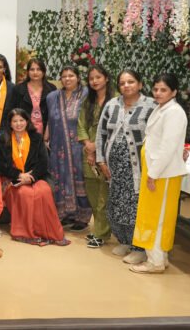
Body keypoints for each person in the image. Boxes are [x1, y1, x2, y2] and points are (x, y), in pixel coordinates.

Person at [96, 69, 155, 264]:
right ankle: (124, 241)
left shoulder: (151, 106)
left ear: (140, 84)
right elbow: (101, 134)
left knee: (134, 207)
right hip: (114, 167)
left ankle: (140, 248)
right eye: (122, 83)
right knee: (116, 204)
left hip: (137, 168)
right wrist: (101, 160)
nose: (126, 86)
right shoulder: (112, 105)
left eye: (131, 82)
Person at [131, 73, 188, 274]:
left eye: (163, 89)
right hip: (156, 169)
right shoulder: (162, 108)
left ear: (174, 92)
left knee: (156, 216)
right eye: (155, 89)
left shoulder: (174, 112)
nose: (158, 93)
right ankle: (159, 257)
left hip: (161, 172)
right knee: (156, 214)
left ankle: (154, 262)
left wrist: (153, 174)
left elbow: (167, 147)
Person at [0, 108, 69, 246]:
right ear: (10, 123)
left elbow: (43, 162)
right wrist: (18, 175)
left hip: (36, 176)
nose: (18, 124)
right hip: (12, 178)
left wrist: (31, 177)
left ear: (27, 121)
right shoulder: (2, 140)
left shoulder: (37, 138)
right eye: (15, 121)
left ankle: (50, 233)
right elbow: (0, 164)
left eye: (21, 120)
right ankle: (25, 233)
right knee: (24, 193)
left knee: (44, 191)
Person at [46, 65, 90, 231]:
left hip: (78, 146)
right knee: (60, 178)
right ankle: (65, 214)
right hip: (58, 146)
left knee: (80, 179)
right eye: (64, 76)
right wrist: (46, 137)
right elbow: (50, 119)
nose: (67, 79)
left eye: (71, 76)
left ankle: (82, 216)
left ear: (78, 77)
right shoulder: (52, 97)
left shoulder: (86, 95)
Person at [77, 64, 116, 248]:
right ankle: (99, 228)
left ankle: (101, 233)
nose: (94, 81)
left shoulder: (116, 100)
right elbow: (81, 124)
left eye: (98, 77)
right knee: (92, 192)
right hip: (88, 153)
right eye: (91, 78)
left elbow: (116, 129)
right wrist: (88, 145)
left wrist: (96, 147)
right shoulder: (88, 101)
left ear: (106, 78)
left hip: (107, 153)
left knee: (104, 196)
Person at [9, 58, 57, 135]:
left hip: (46, 132)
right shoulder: (18, 89)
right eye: (32, 69)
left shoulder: (52, 89)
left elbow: (54, 113)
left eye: (38, 69)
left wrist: (48, 132)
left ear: (43, 72)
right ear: (27, 72)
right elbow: (12, 112)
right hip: (23, 131)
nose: (35, 72)